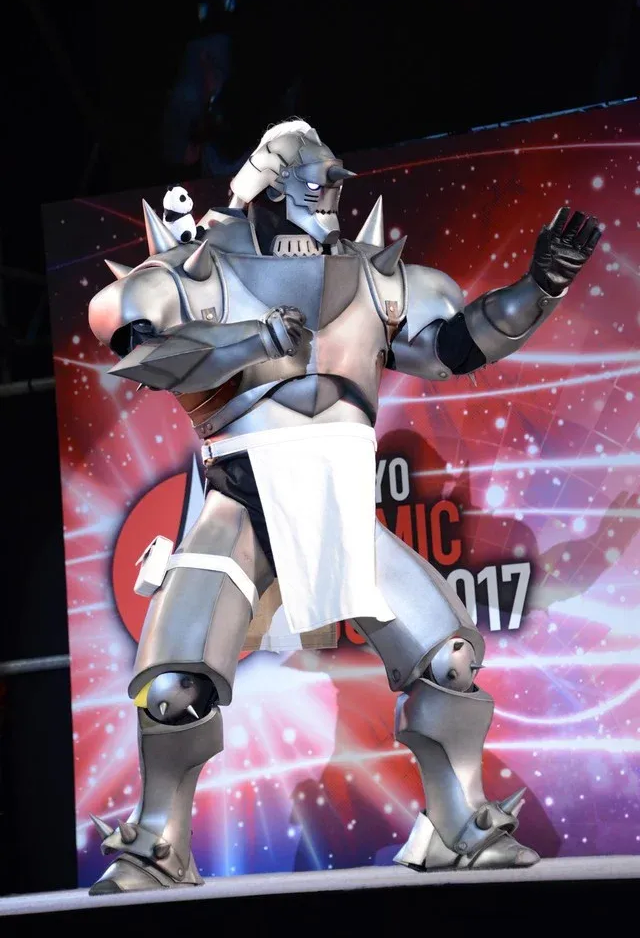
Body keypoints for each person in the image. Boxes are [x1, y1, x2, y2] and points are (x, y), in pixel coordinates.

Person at [86, 118, 601, 893]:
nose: (324, 196)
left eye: (330, 182)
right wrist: (249, 341)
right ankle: (159, 841)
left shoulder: (372, 278)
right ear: (267, 190)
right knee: (173, 684)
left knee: (447, 658)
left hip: (338, 507)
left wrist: (540, 288)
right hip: (243, 504)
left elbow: (457, 345)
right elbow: (134, 342)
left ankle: (457, 825)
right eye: (308, 182)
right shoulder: (205, 271)